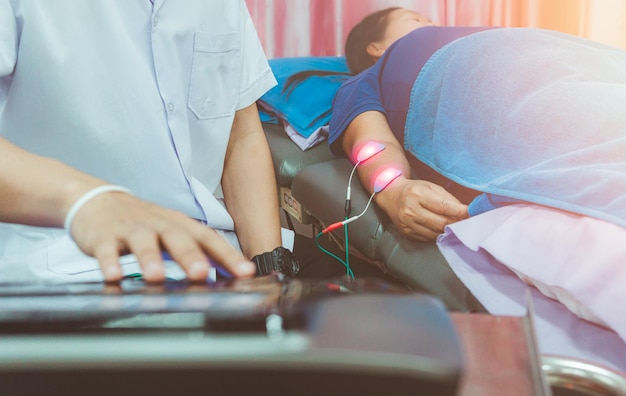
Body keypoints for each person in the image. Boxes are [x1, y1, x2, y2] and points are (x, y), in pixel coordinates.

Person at [0, 1, 286, 283]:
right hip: (67, 264)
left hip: (214, 260)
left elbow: (240, 134)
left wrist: (268, 270)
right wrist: (81, 200)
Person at [327, 7, 626, 241]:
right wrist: (393, 190)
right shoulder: (367, 78)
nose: (431, 23)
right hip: (483, 74)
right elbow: (369, 139)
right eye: (416, 19)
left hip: (559, 53)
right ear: (376, 47)